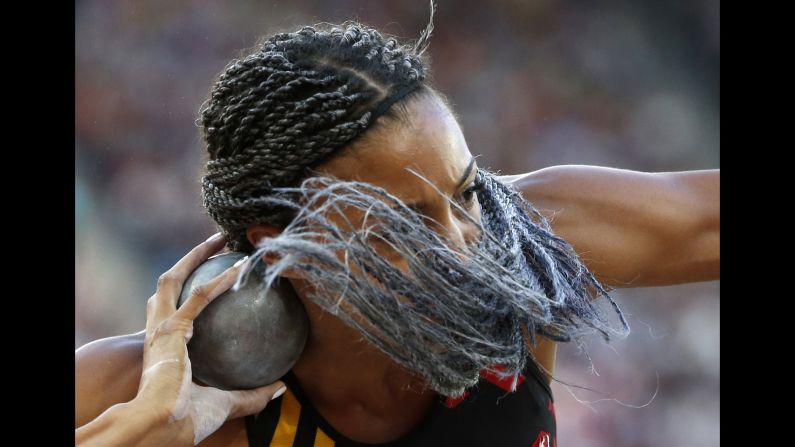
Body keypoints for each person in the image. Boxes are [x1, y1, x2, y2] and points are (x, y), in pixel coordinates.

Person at [75, 21, 719, 447]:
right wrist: (135, 434)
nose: (467, 243)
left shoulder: (522, 239)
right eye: (404, 225)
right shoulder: (141, 396)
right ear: (278, 247)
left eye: (464, 192)